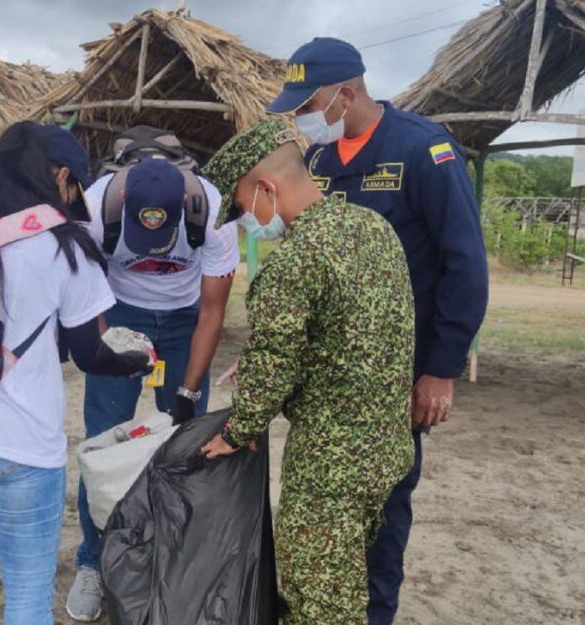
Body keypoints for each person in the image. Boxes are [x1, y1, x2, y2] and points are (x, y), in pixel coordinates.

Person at [267, 38, 489, 624]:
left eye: (308, 102)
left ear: (346, 93)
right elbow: (309, 274)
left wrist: (440, 369)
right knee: (323, 527)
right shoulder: (317, 163)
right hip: (329, 387)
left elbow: (464, 262)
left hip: (397, 375)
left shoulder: (423, 148)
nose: (302, 118)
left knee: (379, 523)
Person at [0, 120, 153, 625]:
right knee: (27, 592)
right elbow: (89, 355)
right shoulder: (62, 243)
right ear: (61, 176)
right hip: (15, 442)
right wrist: (135, 360)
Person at [197, 118, 415, 625]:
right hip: (385, 450)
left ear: (265, 189)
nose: (245, 220)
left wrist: (238, 430)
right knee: (347, 580)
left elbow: (275, 363)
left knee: (320, 606)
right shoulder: (374, 229)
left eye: (240, 207)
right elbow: (353, 332)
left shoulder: (292, 262)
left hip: (328, 466)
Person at [66, 157, 239, 621]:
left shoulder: (214, 212)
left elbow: (212, 312)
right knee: (102, 441)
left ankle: (174, 559)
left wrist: (187, 393)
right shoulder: (97, 206)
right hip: (120, 309)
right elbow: (87, 288)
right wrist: (111, 346)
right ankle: (94, 561)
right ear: (124, 205)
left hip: (186, 320)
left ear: (185, 207)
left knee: (188, 444)